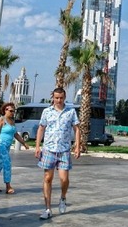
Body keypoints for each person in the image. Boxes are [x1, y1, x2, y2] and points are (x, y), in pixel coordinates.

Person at [34, 88, 80, 220]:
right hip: (49, 149)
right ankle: (48, 208)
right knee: (47, 178)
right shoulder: (47, 112)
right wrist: (37, 146)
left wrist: (77, 146)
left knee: (64, 179)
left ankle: (63, 198)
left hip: (64, 150)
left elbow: (76, 129)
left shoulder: (71, 111)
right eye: (56, 98)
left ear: (64, 98)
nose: (59, 100)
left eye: (61, 98)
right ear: (53, 98)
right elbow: (41, 128)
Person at [0, 102, 29, 194]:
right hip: (1, 145)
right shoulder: (1, 120)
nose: (12, 113)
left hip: (7, 146)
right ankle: (8, 186)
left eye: (13, 111)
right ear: (5, 110)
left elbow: (15, 134)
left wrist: (23, 143)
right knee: (7, 163)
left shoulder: (12, 121)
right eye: (11, 111)